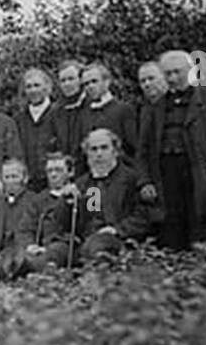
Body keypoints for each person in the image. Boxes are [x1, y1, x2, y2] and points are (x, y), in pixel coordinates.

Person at [137, 50, 206, 251]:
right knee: (171, 239)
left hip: (199, 174)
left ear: (190, 71)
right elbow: (144, 150)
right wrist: (145, 180)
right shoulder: (155, 108)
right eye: (167, 74)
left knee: (201, 233)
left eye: (177, 72)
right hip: (166, 178)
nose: (172, 78)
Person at [72, 129, 151, 261]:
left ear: (115, 151)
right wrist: (67, 202)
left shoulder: (132, 179)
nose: (99, 154)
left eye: (104, 148)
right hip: (91, 241)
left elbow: (143, 217)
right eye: (94, 149)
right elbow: (91, 215)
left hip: (124, 240)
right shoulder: (86, 184)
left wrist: (117, 229)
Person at [0, 157, 37, 281]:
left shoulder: (34, 201)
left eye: (14, 177)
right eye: (7, 177)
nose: (10, 181)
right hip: (0, 254)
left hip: (23, 254)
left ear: (25, 178)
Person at [20, 153, 77, 274]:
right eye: (50, 171)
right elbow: (25, 228)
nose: (54, 174)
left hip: (69, 247)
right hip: (42, 248)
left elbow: (93, 219)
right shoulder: (38, 200)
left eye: (59, 170)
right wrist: (30, 245)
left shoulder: (86, 192)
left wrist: (70, 201)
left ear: (70, 172)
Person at [12, 68, 59, 192]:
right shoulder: (19, 119)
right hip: (28, 185)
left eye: (37, 85)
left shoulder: (58, 114)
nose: (33, 90)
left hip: (53, 182)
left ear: (47, 87)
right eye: (29, 87)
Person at [79, 63, 138, 158]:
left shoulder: (123, 110)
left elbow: (133, 146)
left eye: (94, 81)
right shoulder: (83, 113)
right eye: (86, 84)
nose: (90, 86)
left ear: (106, 82)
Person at [52, 59, 88, 166]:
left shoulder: (91, 106)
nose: (67, 84)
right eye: (63, 80)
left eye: (71, 79)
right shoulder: (56, 111)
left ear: (80, 80)